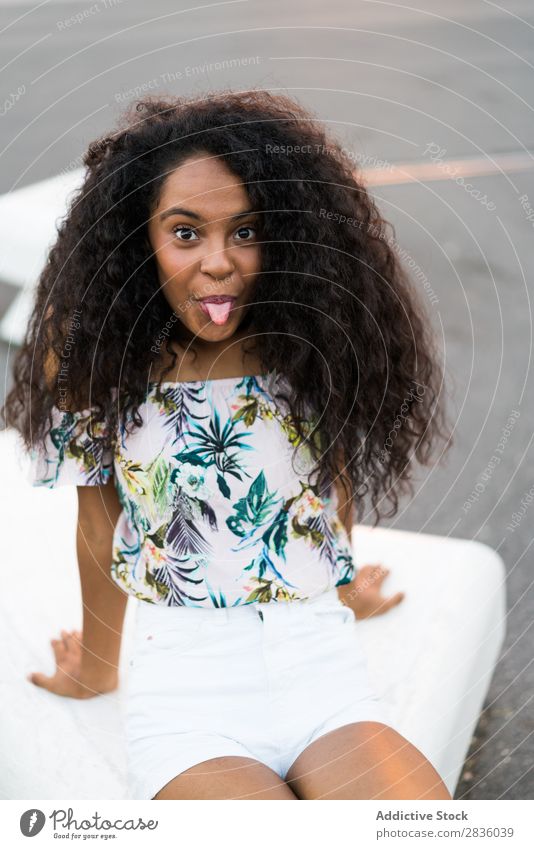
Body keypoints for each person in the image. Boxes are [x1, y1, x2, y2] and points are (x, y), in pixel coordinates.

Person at [2, 90, 452, 800]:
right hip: (188, 692)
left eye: (245, 231)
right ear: (137, 236)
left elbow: (322, 479)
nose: (220, 262)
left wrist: (337, 578)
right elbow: (97, 522)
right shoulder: (99, 356)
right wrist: (94, 668)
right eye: (186, 233)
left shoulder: (304, 337)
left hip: (322, 669)